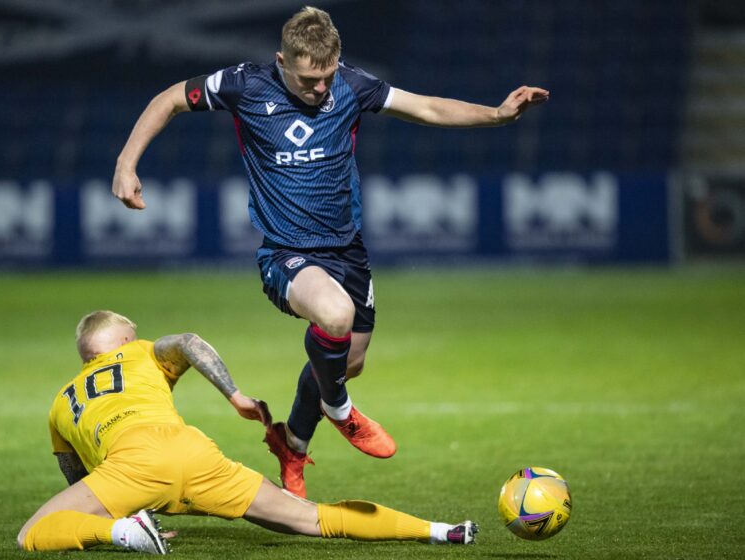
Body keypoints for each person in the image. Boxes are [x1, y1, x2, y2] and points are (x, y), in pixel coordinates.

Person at [111, 7, 549, 498]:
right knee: (335, 318)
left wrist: (496, 114)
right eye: (307, 80)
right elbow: (168, 99)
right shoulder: (244, 86)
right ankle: (340, 410)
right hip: (286, 254)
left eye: (326, 77)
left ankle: (292, 444)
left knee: (347, 360)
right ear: (281, 61)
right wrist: (127, 164)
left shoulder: (351, 86)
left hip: (349, 253)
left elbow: (425, 107)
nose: (320, 90)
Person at [17, 310, 479, 554]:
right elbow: (190, 343)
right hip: (194, 455)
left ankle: (124, 534)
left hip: (129, 469)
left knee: (32, 534)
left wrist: (110, 520)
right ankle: (441, 531)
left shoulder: (61, 402)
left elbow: (73, 475)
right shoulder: (138, 353)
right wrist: (235, 395)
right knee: (312, 518)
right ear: (119, 343)